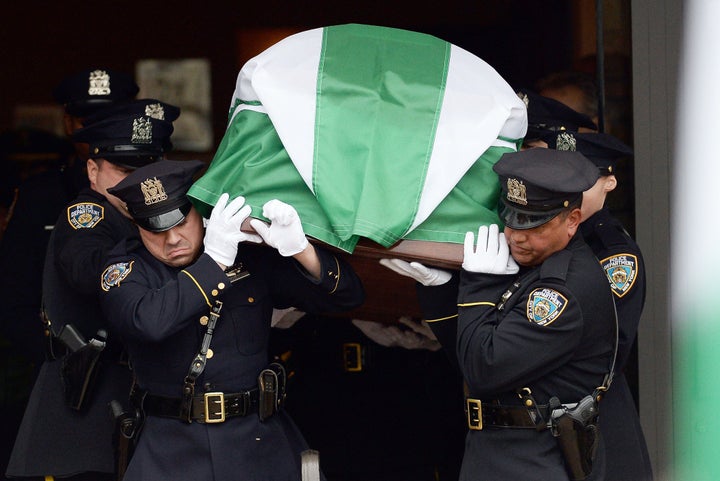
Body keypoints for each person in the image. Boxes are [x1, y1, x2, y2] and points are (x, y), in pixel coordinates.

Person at [98, 159, 365, 480]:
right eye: (154, 229)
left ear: (200, 212)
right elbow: (148, 322)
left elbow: (347, 299)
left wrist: (300, 250)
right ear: (136, 227)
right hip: (172, 450)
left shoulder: (249, 255)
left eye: (180, 223)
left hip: (260, 441)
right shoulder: (124, 268)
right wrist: (214, 261)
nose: (172, 240)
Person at [6, 101, 178, 481]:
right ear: (93, 171)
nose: (137, 183)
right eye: (123, 170)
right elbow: (90, 271)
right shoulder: (87, 214)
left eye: (147, 170)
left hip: (140, 394)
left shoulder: (160, 221)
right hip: (88, 400)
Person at [455, 148, 616, 480]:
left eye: (531, 224)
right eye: (510, 218)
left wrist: (478, 286)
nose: (515, 235)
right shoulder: (534, 267)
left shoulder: (561, 291)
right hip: (500, 455)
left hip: (534, 461)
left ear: (572, 221)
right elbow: (466, 347)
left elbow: (483, 367)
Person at [549, 131, 653, 480]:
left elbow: (605, 347)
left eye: (584, 179)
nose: (571, 189)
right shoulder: (552, 235)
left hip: (594, 410)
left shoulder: (612, 252)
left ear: (609, 182)